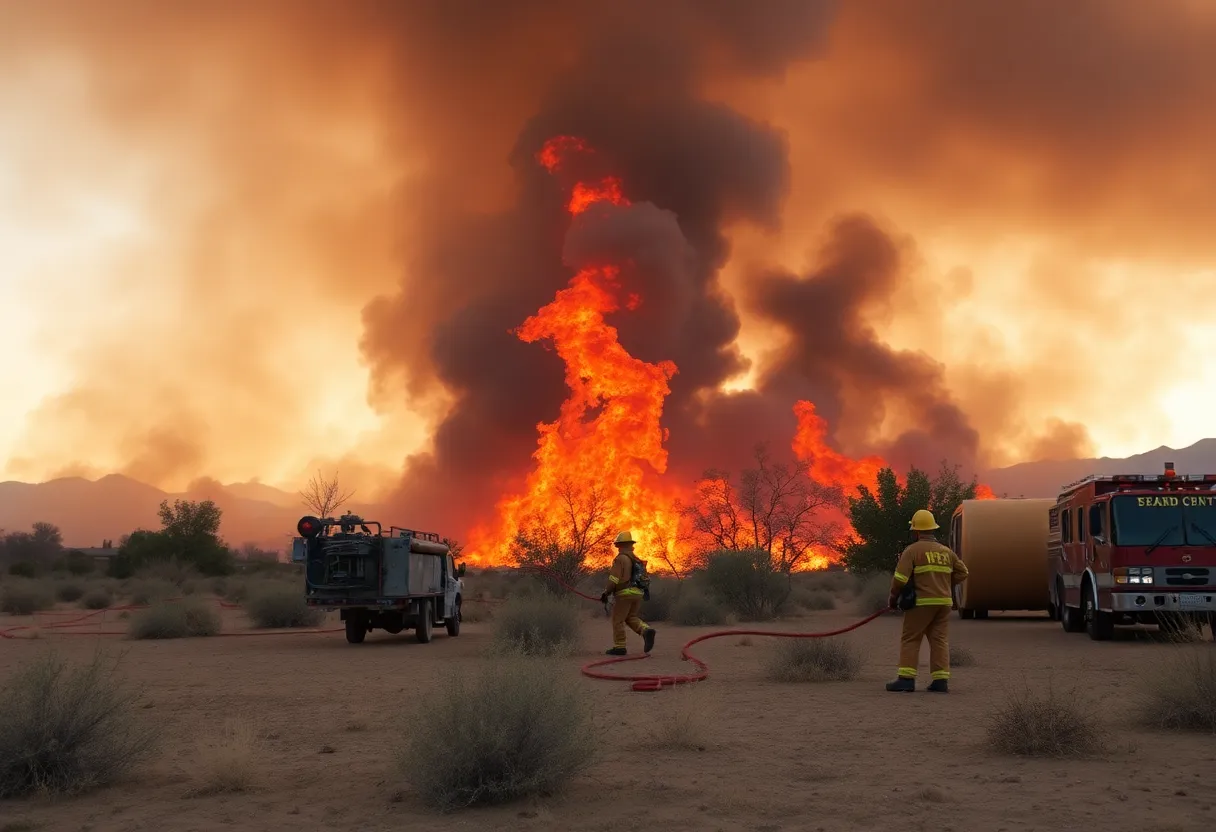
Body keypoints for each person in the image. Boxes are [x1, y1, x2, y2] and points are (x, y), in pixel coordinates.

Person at [885, 509, 969, 693]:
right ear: (932, 529)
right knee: (939, 640)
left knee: (911, 638)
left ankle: (906, 679)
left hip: (921, 604)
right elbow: (963, 572)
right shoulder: (947, 552)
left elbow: (900, 579)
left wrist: (893, 598)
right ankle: (940, 681)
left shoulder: (912, 551)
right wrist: (945, 583)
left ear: (916, 531)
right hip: (944, 603)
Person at [600, 530, 657, 656]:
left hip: (624, 594)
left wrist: (606, 592)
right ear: (631, 545)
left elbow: (614, 578)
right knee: (631, 617)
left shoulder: (620, 559)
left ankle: (619, 647)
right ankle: (646, 631)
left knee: (618, 620)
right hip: (638, 593)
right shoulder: (635, 559)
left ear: (619, 545)